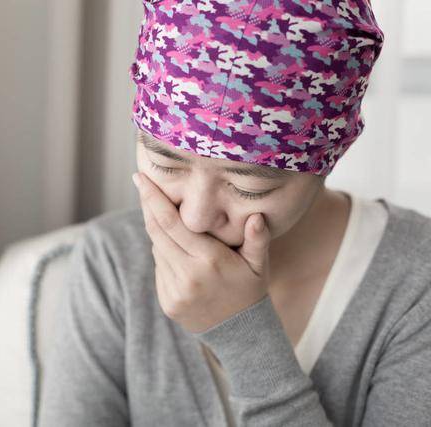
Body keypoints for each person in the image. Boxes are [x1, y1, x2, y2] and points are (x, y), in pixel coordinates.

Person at [38, 0, 431, 425]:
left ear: (328, 158)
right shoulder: (113, 262)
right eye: (167, 164)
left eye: (248, 187)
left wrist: (243, 336)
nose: (195, 218)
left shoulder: (415, 285)